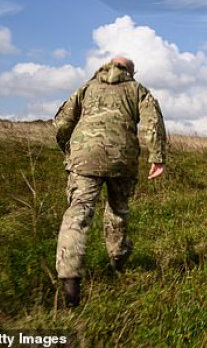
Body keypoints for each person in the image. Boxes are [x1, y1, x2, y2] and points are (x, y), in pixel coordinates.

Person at [54, 57, 166, 307]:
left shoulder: (86, 88)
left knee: (78, 212)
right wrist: (157, 157)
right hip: (122, 156)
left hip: (84, 156)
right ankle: (117, 258)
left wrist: (68, 148)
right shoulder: (137, 89)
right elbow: (153, 123)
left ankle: (70, 277)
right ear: (131, 72)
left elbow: (62, 121)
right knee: (118, 208)